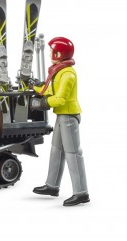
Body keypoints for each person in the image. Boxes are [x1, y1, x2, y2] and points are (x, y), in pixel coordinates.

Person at [30, 37, 89, 206]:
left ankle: (81, 192)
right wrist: (34, 86)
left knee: (73, 153)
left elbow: (60, 98)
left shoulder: (68, 73)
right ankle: (52, 185)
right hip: (62, 115)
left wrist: (42, 103)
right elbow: (50, 89)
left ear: (59, 54)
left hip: (68, 116)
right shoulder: (59, 71)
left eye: (52, 52)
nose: (50, 55)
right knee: (56, 150)